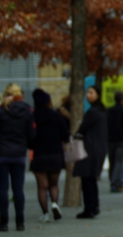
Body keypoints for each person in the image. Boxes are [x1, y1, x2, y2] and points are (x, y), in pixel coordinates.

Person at [29, 88, 69, 223]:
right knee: (54, 184)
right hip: (56, 154)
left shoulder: (33, 117)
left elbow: (29, 137)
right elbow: (65, 135)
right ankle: (55, 204)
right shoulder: (56, 116)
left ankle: (45, 213)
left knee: (42, 186)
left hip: (40, 155)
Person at [0, 83, 35, 231]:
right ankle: (20, 222)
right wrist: (28, 145)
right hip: (19, 154)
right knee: (18, 189)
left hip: (2, 153)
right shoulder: (27, 111)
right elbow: (32, 134)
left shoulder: (1, 110)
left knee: (2, 189)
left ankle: (4, 222)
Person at [74, 85, 108, 219]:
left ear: (98, 94)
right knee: (92, 178)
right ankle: (94, 205)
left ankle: (89, 208)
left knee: (87, 178)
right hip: (99, 148)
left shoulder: (93, 112)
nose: (88, 95)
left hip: (90, 148)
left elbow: (82, 129)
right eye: (88, 92)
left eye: (91, 92)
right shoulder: (103, 111)